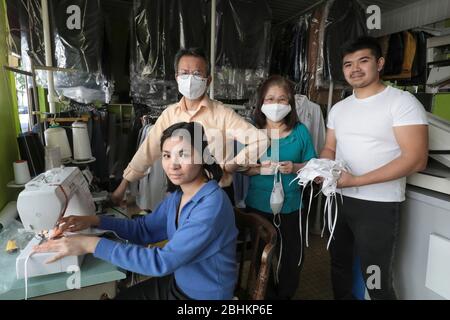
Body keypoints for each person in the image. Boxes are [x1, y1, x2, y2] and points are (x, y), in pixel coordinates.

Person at [34, 122, 239, 300]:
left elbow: (161, 262)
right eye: (167, 155)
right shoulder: (179, 196)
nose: (173, 165)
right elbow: (143, 230)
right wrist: (95, 220)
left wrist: (90, 243)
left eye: (183, 154)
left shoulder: (211, 205)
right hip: (179, 283)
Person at [320, 36, 428, 300]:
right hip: (339, 199)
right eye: (348, 64)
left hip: (378, 204)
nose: (355, 68)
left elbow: (415, 159)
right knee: (339, 264)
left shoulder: (402, 103)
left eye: (363, 60)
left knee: (375, 275)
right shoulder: (339, 108)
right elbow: (330, 148)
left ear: (379, 64)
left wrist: (355, 180)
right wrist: (321, 170)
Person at [112, 47, 268, 205]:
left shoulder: (222, 114)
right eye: (185, 73)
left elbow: (261, 140)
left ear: (208, 80)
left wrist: (232, 165)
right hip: (179, 194)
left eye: (197, 74)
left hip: (216, 194)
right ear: (177, 77)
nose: (190, 79)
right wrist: (122, 186)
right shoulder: (170, 115)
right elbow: (147, 151)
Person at [244, 75, 317, 299]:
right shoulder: (251, 132)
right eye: (271, 98)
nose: (276, 104)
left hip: (292, 207)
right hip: (259, 207)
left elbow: (313, 166)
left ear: (291, 104)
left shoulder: (300, 132)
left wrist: (295, 166)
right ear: (261, 102)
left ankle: (284, 296)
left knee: (292, 259)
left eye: (283, 100)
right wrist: (259, 168)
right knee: (260, 260)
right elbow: (240, 168)